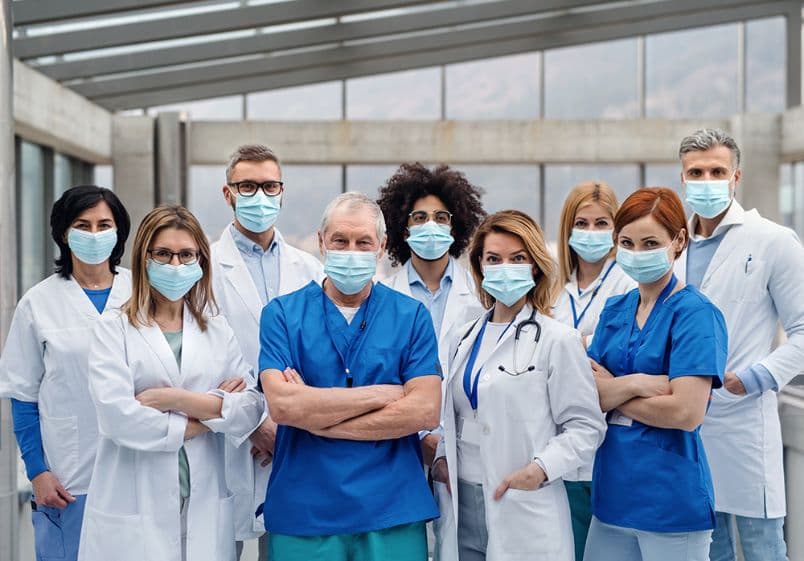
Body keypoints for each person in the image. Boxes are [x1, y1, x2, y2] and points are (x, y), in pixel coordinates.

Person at [259, 192, 442, 561]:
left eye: (363, 243)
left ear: (381, 246)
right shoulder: (282, 315)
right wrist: (382, 394)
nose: (351, 251)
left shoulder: (411, 316)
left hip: (391, 512)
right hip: (305, 512)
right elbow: (283, 406)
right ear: (321, 241)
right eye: (340, 241)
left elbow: (424, 410)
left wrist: (316, 416)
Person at [78, 205, 263, 561]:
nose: (175, 265)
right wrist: (211, 416)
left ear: (201, 261)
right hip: (134, 505)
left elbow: (250, 409)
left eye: (186, 255)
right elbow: (118, 418)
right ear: (144, 258)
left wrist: (172, 399)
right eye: (163, 254)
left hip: (204, 503)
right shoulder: (113, 329)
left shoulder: (216, 328)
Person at [432, 210, 606, 561]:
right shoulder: (462, 337)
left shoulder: (558, 339)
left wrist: (540, 470)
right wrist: (441, 459)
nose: (505, 268)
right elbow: (453, 414)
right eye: (494, 259)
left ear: (535, 266)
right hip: (461, 499)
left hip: (522, 501)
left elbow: (586, 427)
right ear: (480, 266)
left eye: (518, 258)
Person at [674, 129, 804, 561]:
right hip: (685, 422)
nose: (706, 181)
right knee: (709, 550)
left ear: (736, 177)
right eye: (696, 172)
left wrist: (754, 377)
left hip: (745, 418)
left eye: (717, 171)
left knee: (764, 548)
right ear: (682, 178)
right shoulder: (672, 247)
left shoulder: (772, 240)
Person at [584, 187, 728, 561]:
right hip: (611, 500)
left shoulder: (696, 314)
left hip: (671, 504)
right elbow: (586, 395)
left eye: (650, 243)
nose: (637, 253)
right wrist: (638, 383)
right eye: (627, 243)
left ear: (678, 240)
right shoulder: (615, 310)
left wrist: (614, 391)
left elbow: (686, 412)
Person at [0, 185, 131, 561]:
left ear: (119, 232)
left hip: (136, 472)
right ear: (63, 232)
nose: (94, 234)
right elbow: (22, 396)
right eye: (82, 225)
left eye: (104, 225)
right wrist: (37, 472)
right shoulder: (38, 303)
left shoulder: (142, 292)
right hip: (68, 478)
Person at [211, 144, 324, 558]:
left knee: (285, 549)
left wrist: (287, 422)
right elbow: (203, 358)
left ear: (281, 192)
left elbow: (319, 355)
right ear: (228, 194)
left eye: (269, 186)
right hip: (228, 438)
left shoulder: (309, 269)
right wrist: (254, 424)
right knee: (220, 545)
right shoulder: (204, 268)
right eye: (247, 186)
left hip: (294, 438)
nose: (259, 196)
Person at [378, 162, 486, 466]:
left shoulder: (481, 296)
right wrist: (421, 435)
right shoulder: (382, 297)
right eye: (420, 217)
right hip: (401, 442)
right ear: (404, 228)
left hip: (465, 444)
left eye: (441, 217)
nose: (430, 225)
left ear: (455, 226)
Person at [551, 181, 636, 560]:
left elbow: (618, 354)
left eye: (602, 223)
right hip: (558, 447)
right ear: (567, 229)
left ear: (616, 230)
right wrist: (584, 344)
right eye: (581, 223)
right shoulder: (554, 287)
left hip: (610, 446)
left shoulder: (627, 283)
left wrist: (565, 348)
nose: (591, 232)